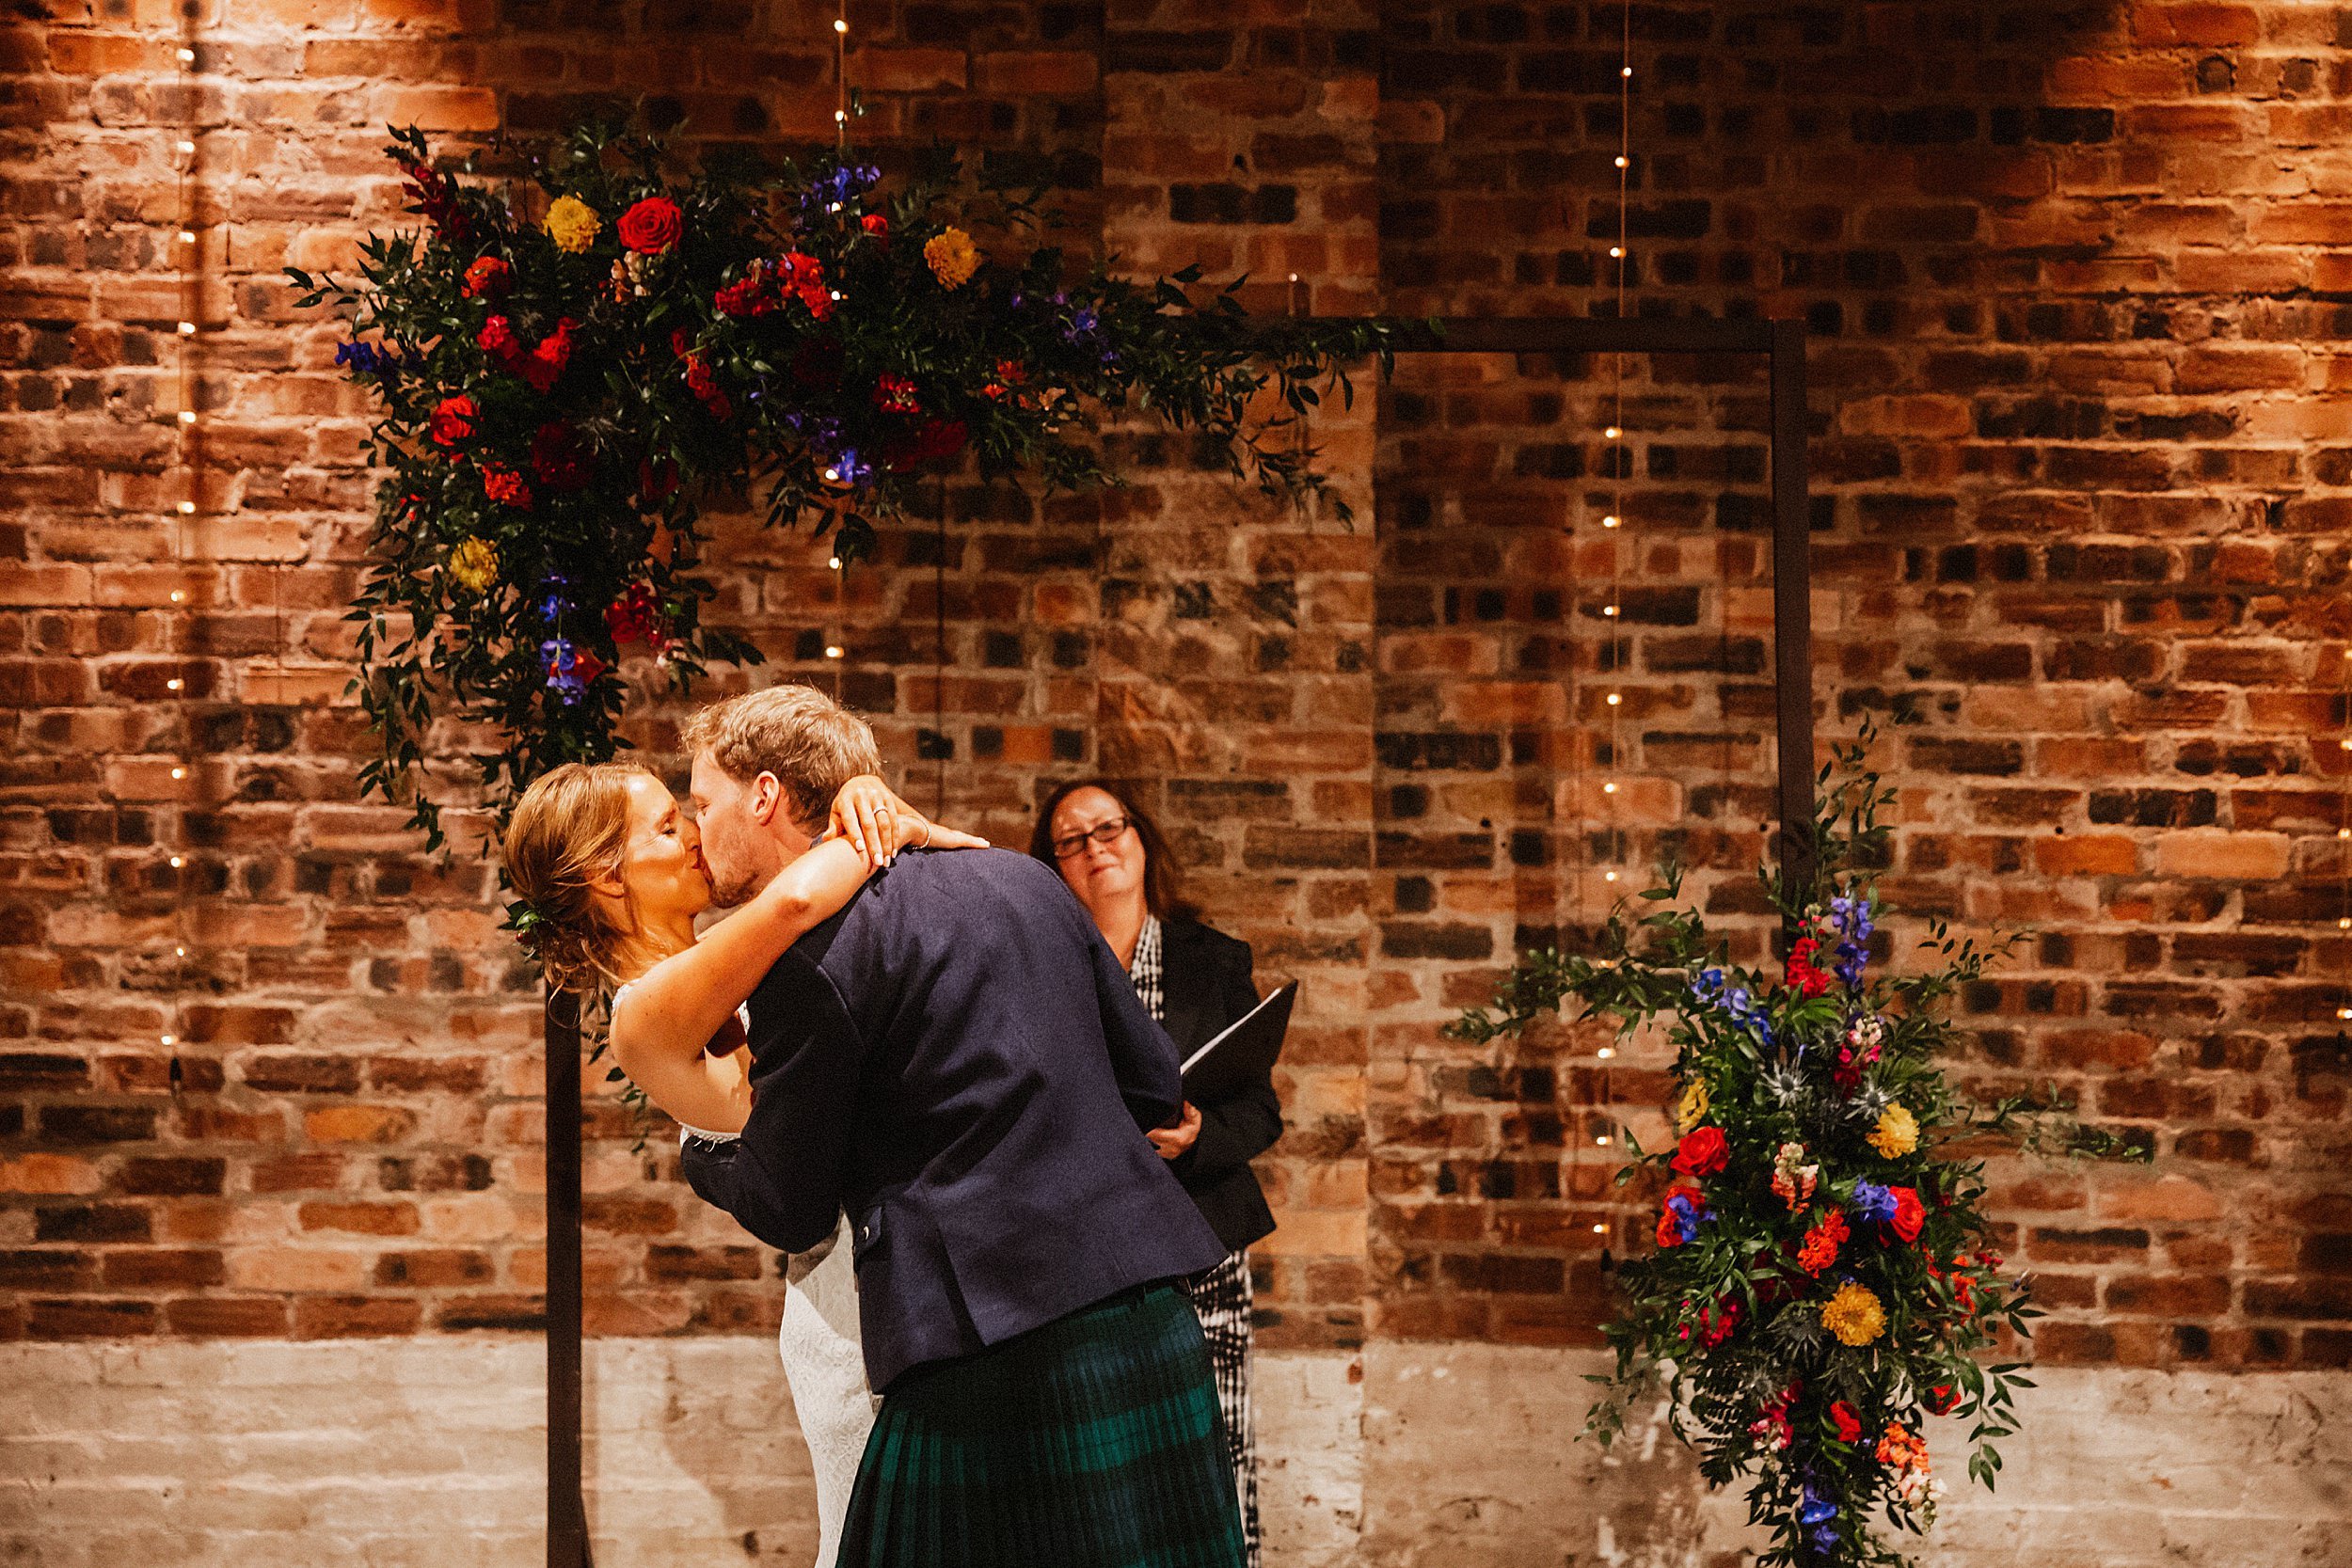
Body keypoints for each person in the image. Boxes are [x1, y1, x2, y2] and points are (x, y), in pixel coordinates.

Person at [675, 684, 1247, 1568]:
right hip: (1147, 1311)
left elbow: (789, 1206)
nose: (697, 831)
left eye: (703, 803)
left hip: (989, 1353)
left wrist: (702, 1148)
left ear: (765, 795)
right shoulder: (1023, 880)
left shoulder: (807, 961)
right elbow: (1153, 1081)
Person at [502, 758, 983, 1568]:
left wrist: (866, 803)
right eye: (665, 825)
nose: (693, 834)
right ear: (603, 876)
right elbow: (797, 898)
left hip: (911, 1289)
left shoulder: (737, 960)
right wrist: (889, 819)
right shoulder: (645, 1014)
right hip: (853, 1322)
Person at [1031, 782, 1281, 1568]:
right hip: (1080, 1256)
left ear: (1142, 841)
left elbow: (1261, 1112)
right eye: (1071, 840)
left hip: (1199, 1242)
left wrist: (1201, 1132)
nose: (1095, 847)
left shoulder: (1212, 959)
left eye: (1109, 828)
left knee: (1216, 1447)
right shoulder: (1042, 969)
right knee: (1103, 1458)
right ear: (1052, 867)